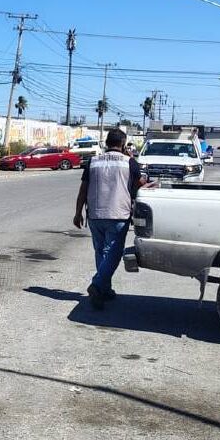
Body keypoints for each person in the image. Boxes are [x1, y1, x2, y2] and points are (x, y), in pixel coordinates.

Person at [72, 128, 145, 309]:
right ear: (123, 144)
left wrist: (78, 212)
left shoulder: (93, 161)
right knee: (113, 253)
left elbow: (83, 189)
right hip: (118, 214)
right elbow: (139, 185)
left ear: (106, 143)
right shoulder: (129, 162)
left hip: (95, 214)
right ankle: (97, 286)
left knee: (101, 252)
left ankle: (105, 289)